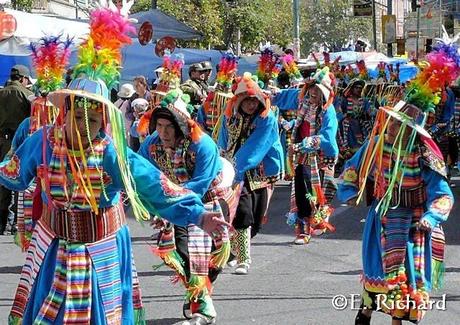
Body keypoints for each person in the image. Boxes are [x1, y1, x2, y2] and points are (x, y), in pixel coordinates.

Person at [1, 5, 229, 324]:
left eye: (93, 118)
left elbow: (154, 186)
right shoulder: (42, 141)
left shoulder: (111, 151)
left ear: (104, 120)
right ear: (64, 111)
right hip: (53, 245)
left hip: (101, 247)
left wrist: (200, 215)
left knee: (99, 315)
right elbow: (12, 173)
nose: (84, 124)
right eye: (77, 115)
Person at [339, 31, 459, 323]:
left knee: (410, 276)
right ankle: (364, 312)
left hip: (415, 218)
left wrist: (432, 217)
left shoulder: (425, 153)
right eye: (392, 121)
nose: (393, 127)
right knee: (377, 269)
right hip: (383, 214)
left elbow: (442, 192)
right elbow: (352, 171)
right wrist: (352, 190)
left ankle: (397, 319)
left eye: (399, 124)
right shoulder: (376, 143)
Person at [138, 89, 233, 325]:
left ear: (182, 126)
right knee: (185, 252)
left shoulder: (203, 145)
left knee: (214, 254)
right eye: (159, 126)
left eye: (169, 126)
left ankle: (199, 294)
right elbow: (141, 175)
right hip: (177, 204)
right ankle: (201, 304)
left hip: (210, 201)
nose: (163, 132)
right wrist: (156, 208)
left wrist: (168, 203)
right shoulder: (151, 145)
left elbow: (200, 185)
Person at [218, 73, 283, 275]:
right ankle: (243, 259)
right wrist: (222, 165)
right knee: (242, 213)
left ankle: (234, 251)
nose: (252, 105)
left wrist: (235, 166)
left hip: (259, 170)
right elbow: (222, 139)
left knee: (255, 219)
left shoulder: (267, 118)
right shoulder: (229, 115)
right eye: (248, 100)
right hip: (235, 171)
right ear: (240, 100)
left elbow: (257, 147)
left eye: (255, 100)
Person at [286, 67, 339, 245]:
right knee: (303, 190)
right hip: (303, 156)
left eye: (318, 90)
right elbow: (284, 97)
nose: (313, 93)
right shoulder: (304, 104)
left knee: (323, 191)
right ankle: (303, 230)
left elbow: (327, 138)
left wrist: (302, 144)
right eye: (311, 89)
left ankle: (319, 217)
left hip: (323, 157)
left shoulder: (328, 111)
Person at [0, 65, 34, 235]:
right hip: (19, 143)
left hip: (1, 141)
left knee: (2, 180)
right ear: (23, 78)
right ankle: (14, 224)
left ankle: (2, 223)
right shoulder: (27, 95)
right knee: (18, 182)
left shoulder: (1, 92)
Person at [127, 75, 152, 151]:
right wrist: (133, 115)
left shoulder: (150, 97)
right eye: (134, 86)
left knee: (145, 151)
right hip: (135, 130)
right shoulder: (133, 97)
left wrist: (145, 115)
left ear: (144, 85)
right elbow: (127, 114)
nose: (135, 88)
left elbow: (154, 112)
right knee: (134, 150)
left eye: (137, 85)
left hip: (147, 130)